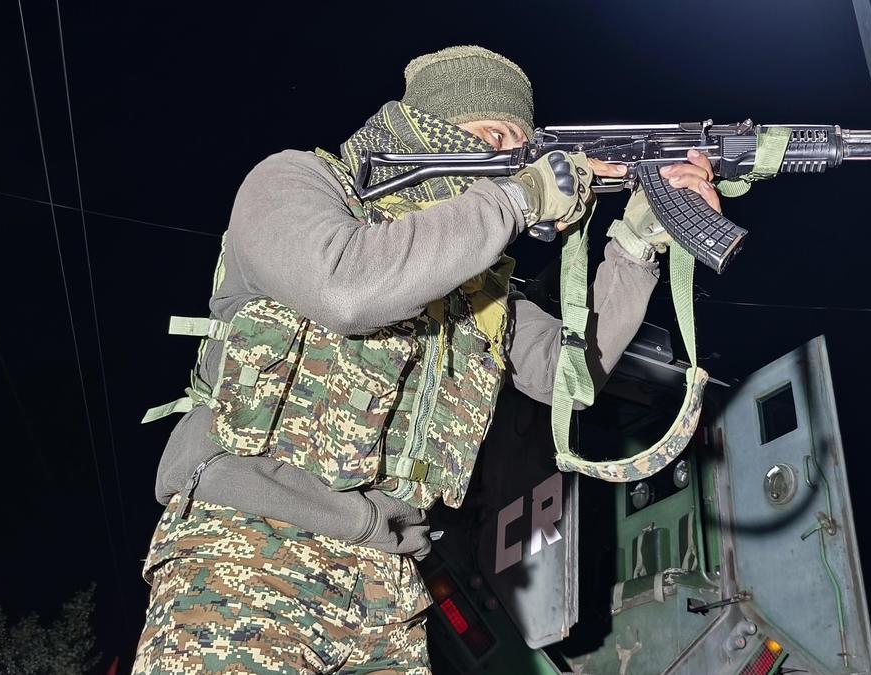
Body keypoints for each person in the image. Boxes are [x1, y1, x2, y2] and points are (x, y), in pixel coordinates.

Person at [132, 45, 722, 674]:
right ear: (426, 130)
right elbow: (346, 288)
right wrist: (519, 198)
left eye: (519, 146)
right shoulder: (295, 183)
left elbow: (568, 376)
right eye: (492, 136)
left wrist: (634, 246)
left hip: (387, 589)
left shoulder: (477, 292)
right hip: (244, 550)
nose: (508, 159)